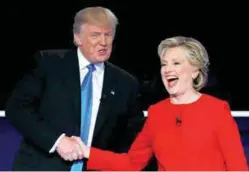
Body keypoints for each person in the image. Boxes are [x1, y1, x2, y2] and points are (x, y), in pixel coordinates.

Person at [77, 36, 249, 171]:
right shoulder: (157, 113)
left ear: (195, 71)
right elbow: (132, 163)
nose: (167, 70)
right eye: (164, 64)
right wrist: (87, 152)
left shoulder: (216, 109)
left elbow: (238, 167)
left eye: (176, 63)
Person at [5, 6, 144, 171]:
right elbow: (17, 109)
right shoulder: (49, 64)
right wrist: (57, 141)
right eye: (95, 35)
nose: (104, 42)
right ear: (77, 38)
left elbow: (131, 136)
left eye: (108, 35)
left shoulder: (126, 83)